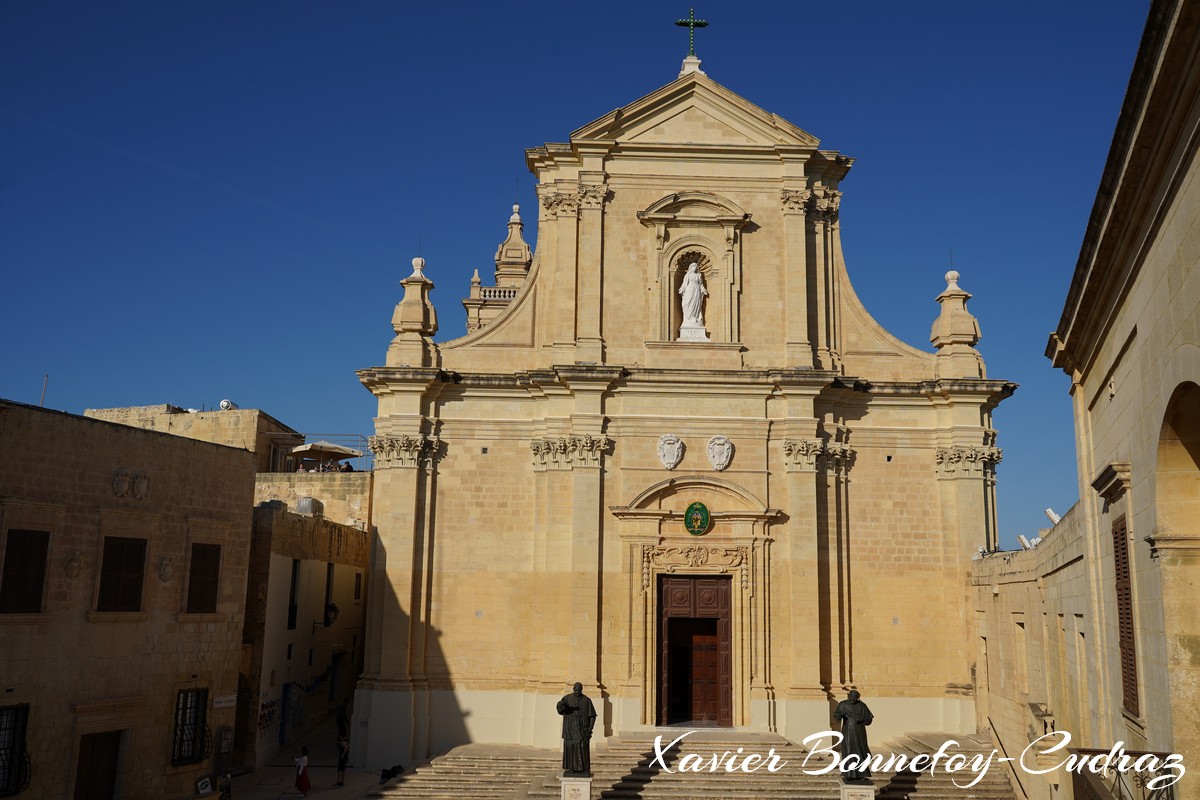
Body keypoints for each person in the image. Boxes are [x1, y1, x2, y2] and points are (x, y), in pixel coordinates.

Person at [556, 682, 597, 776]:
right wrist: (560, 705)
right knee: (570, 749)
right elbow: (560, 709)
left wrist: (590, 729)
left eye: (579, 690)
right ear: (573, 689)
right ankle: (572, 768)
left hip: (582, 730)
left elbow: (593, 716)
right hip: (570, 729)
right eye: (576, 690)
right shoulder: (567, 699)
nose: (577, 692)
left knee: (582, 748)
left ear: (582, 690)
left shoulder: (587, 700)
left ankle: (583, 769)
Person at [834, 690, 874, 783]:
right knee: (848, 751)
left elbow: (869, 719)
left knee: (860, 750)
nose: (853, 699)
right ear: (849, 696)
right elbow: (837, 717)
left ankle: (863, 773)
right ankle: (848, 774)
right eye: (852, 697)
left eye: (855, 698)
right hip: (847, 731)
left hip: (859, 731)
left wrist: (862, 718)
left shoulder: (862, 705)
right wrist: (840, 715)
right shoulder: (842, 704)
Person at [679, 262, 708, 327]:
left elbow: (701, 284)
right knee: (688, 303)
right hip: (689, 290)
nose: (694, 268)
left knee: (696, 304)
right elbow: (684, 284)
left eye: (695, 266)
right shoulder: (688, 275)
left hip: (697, 290)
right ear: (690, 268)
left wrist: (703, 290)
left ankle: (695, 317)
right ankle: (688, 318)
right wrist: (682, 289)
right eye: (693, 266)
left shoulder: (698, 275)